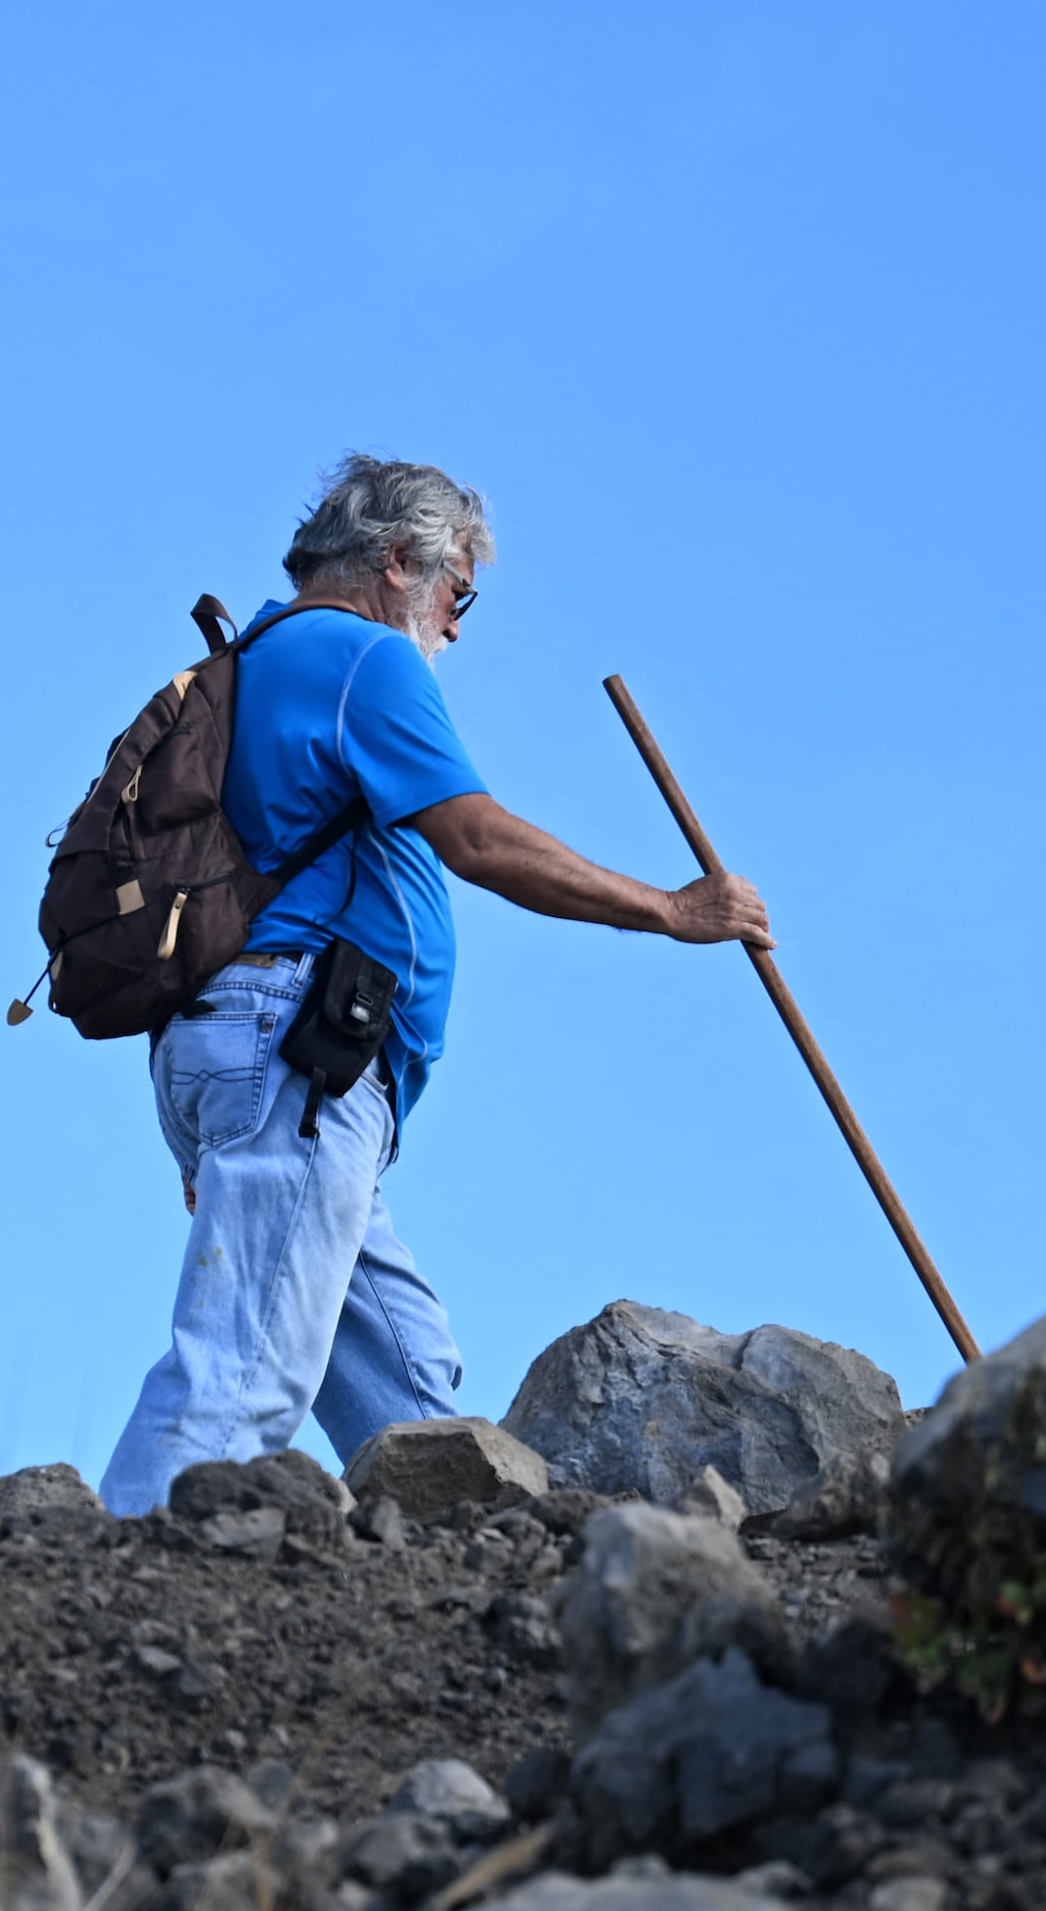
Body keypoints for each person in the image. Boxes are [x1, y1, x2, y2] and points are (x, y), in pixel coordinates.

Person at [98, 456, 772, 1516]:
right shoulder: (363, 656)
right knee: (240, 1378)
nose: (457, 625)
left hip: (246, 1054)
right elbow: (476, 838)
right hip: (294, 1055)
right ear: (399, 560)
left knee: (413, 1398)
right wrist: (670, 910)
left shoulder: (257, 659)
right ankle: (117, 1601)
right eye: (460, 592)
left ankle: (485, 1600)